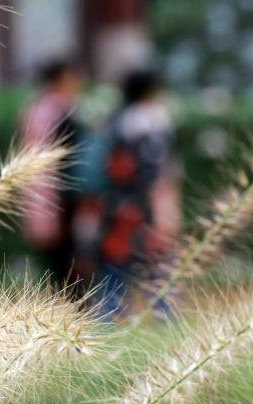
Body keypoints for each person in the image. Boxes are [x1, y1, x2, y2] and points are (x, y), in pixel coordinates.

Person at [73, 69, 181, 316]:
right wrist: (165, 210)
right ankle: (164, 319)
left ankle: (108, 321)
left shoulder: (115, 120)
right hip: (146, 206)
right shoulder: (153, 119)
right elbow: (157, 171)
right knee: (159, 268)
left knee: (113, 267)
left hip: (114, 207)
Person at [20, 60, 85, 282]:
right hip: (63, 193)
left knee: (53, 262)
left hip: (39, 191)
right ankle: (74, 308)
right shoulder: (62, 110)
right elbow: (73, 155)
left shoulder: (35, 109)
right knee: (70, 260)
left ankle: (59, 306)